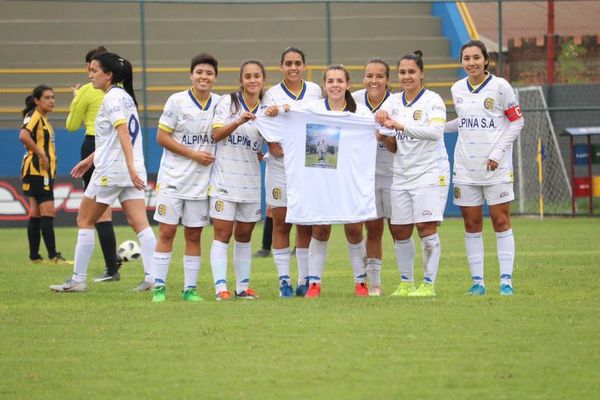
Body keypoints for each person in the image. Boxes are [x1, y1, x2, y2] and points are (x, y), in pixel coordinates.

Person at [50, 52, 156, 292]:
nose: (90, 75)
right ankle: (153, 278)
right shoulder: (125, 97)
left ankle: (77, 280)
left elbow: (121, 132)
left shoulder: (111, 99)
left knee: (84, 219)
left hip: (114, 170)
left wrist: (126, 165)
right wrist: (90, 159)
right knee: (139, 222)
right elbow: (112, 139)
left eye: (94, 71)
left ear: (108, 75)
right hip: (130, 168)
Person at [267, 65, 371, 298]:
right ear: (324, 85)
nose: (335, 85)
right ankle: (314, 283)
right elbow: (291, 113)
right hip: (320, 180)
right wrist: (280, 109)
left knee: (354, 230)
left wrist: (381, 121)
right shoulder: (312, 109)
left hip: (349, 180)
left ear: (348, 84)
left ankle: (360, 283)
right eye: (331, 81)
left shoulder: (362, 114)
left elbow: (378, 129)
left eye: (340, 81)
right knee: (320, 229)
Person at [445, 40, 524, 296]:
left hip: (496, 169)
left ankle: (506, 282)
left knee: (501, 221)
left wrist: (498, 153)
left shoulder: (500, 86)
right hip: (466, 168)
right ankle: (477, 282)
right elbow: (464, 122)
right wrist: (435, 128)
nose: (471, 63)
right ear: (461, 62)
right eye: (466, 58)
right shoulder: (457, 89)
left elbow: (516, 122)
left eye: (476, 57)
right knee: (472, 224)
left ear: (486, 60)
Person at [375, 50, 449, 297]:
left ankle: (428, 284)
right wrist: (383, 129)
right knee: (399, 229)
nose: (406, 77)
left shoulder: (433, 100)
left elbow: (437, 132)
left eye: (411, 72)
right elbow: (388, 132)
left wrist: (400, 125)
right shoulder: (393, 102)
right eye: (402, 72)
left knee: (426, 227)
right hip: (402, 173)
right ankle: (406, 283)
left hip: (430, 172)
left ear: (421, 74)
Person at [150, 53, 221, 302]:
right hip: (172, 179)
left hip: (201, 183)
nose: (204, 77)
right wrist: (193, 154)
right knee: (167, 232)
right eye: (199, 72)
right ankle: (158, 286)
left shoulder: (220, 104)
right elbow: (162, 137)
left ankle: (189, 289)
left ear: (215, 78)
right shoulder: (177, 101)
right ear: (191, 75)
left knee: (194, 235)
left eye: (209, 73)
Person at [261, 46, 322, 297]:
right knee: (282, 222)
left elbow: (320, 123)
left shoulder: (316, 91)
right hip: (280, 167)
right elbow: (264, 125)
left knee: (305, 224)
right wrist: (274, 146)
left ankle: (304, 279)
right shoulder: (271, 94)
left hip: (307, 168)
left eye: (297, 62)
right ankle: (283, 280)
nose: (293, 67)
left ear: (304, 65)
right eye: (288, 63)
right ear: (281, 67)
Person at [209, 60, 266, 300]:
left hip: (251, 183)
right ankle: (220, 288)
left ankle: (242, 287)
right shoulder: (228, 102)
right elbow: (216, 134)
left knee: (244, 236)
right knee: (222, 234)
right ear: (241, 80)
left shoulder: (267, 109)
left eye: (257, 76)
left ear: (263, 80)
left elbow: (271, 143)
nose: (252, 80)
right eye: (248, 76)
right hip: (224, 182)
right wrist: (238, 121)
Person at [66, 45, 122, 282]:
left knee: (94, 215)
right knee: (112, 211)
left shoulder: (88, 92)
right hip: (117, 146)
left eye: (92, 69)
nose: (90, 74)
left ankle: (104, 270)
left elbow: (70, 125)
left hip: (94, 145)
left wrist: (76, 99)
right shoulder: (119, 91)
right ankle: (113, 267)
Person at [352, 58, 392, 296]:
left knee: (399, 230)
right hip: (364, 175)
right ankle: (373, 283)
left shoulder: (396, 103)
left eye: (379, 76)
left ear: (387, 79)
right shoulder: (354, 100)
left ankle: (408, 281)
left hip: (395, 173)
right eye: (369, 75)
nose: (373, 80)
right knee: (373, 229)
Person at [19, 85, 70, 265]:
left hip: (40, 172)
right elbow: (23, 135)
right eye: (47, 97)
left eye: (53, 97)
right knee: (48, 212)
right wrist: (41, 154)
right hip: (37, 171)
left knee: (36, 212)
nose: (51, 101)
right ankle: (53, 255)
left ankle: (34, 256)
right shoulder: (34, 116)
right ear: (37, 100)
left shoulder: (43, 119)